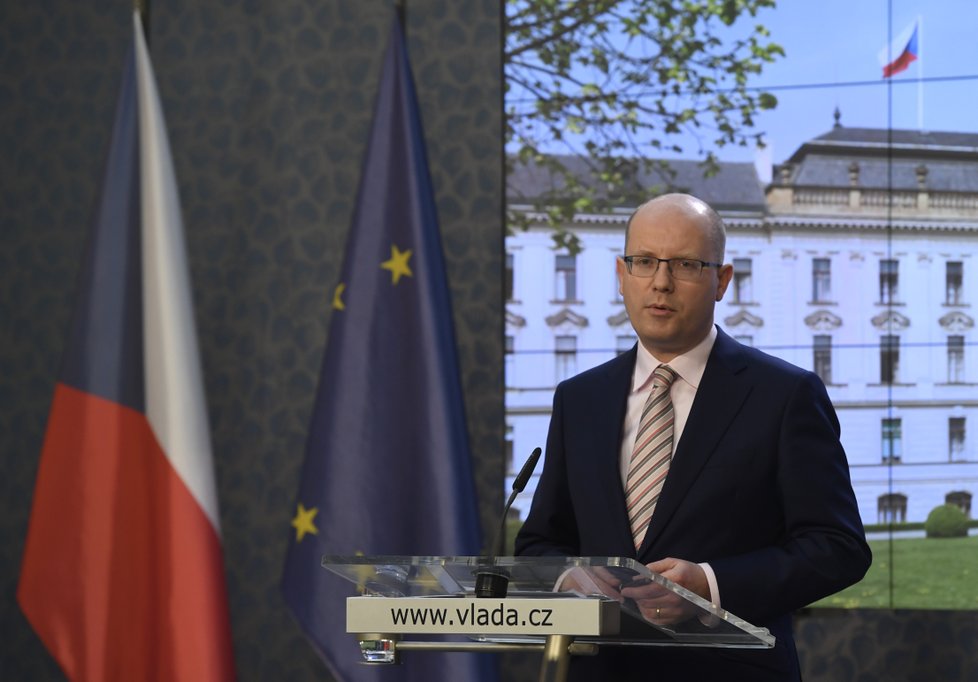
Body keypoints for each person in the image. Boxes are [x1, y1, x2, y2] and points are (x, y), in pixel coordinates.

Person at [514, 193, 872, 681]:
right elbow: (540, 543)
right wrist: (567, 576)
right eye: (644, 262)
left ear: (721, 281)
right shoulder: (579, 398)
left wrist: (710, 584)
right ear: (622, 276)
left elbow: (838, 548)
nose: (660, 283)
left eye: (684, 264)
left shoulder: (785, 395)